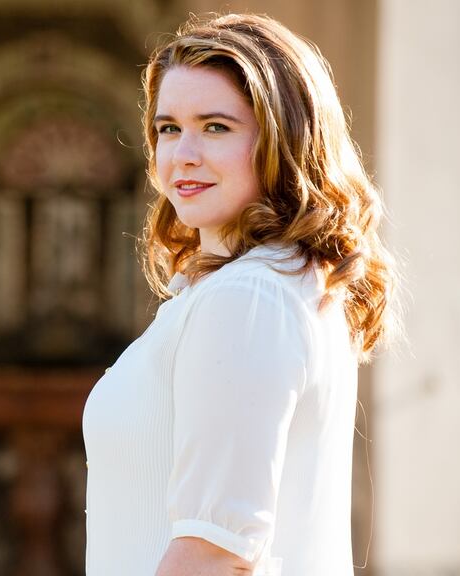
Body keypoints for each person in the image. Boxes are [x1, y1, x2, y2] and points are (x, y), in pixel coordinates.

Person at [81, 12, 400, 576]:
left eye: (216, 127)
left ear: (284, 140)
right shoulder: (267, 285)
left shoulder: (250, 298)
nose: (182, 154)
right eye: (168, 128)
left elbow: (214, 553)